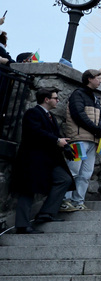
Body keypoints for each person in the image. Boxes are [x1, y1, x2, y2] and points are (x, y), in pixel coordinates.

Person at [11, 88, 73, 234]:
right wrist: (57, 140)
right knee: (27, 191)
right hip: (32, 160)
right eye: (55, 98)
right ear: (46, 99)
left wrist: (65, 146)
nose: (58, 100)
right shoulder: (33, 113)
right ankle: (22, 225)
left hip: (48, 160)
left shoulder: (50, 116)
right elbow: (36, 132)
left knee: (64, 179)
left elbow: (53, 135)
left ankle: (46, 213)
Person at [61, 69, 101, 212]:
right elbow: (78, 114)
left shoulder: (94, 98)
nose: (100, 81)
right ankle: (65, 200)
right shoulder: (78, 94)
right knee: (73, 171)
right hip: (78, 139)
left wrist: (100, 127)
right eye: (98, 78)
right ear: (89, 79)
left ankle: (78, 201)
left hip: (92, 140)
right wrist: (96, 128)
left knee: (86, 174)